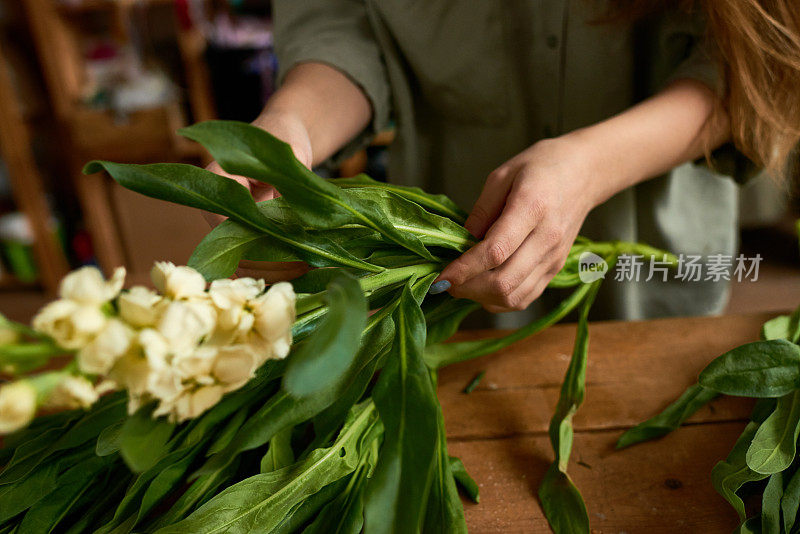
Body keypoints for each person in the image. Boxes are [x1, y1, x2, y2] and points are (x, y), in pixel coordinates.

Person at [207, 1, 800, 320]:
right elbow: (344, 23)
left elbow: (761, 57)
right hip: (445, 269)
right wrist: (290, 129)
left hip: (653, 271)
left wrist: (593, 165)